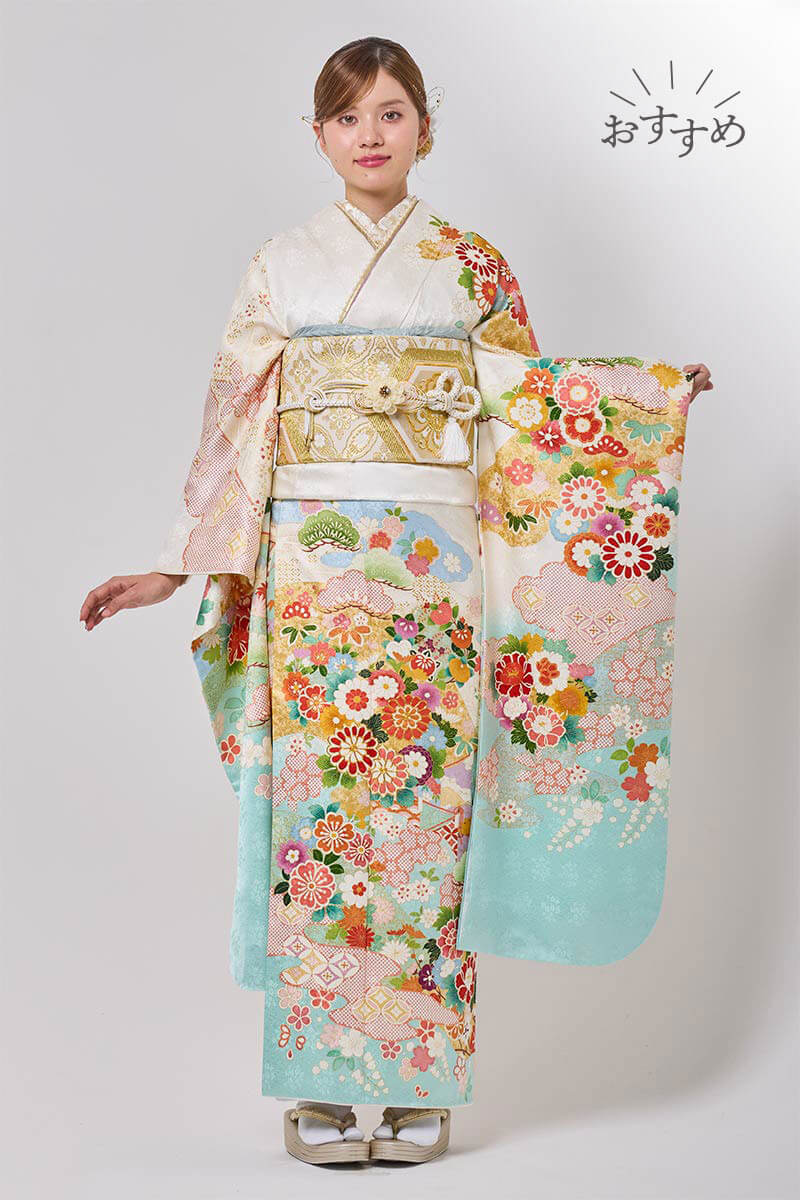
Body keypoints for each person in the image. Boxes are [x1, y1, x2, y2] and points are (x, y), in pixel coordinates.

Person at [79, 36, 713, 1167]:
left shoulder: (469, 265)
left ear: (425, 124)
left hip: (436, 574)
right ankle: (321, 1081)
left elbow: (530, 409)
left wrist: (639, 402)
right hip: (314, 576)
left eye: (389, 112)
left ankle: (420, 1078)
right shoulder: (281, 265)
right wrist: (176, 565)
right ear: (317, 135)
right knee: (321, 817)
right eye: (346, 117)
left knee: (426, 812)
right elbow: (234, 425)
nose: (369, 135)